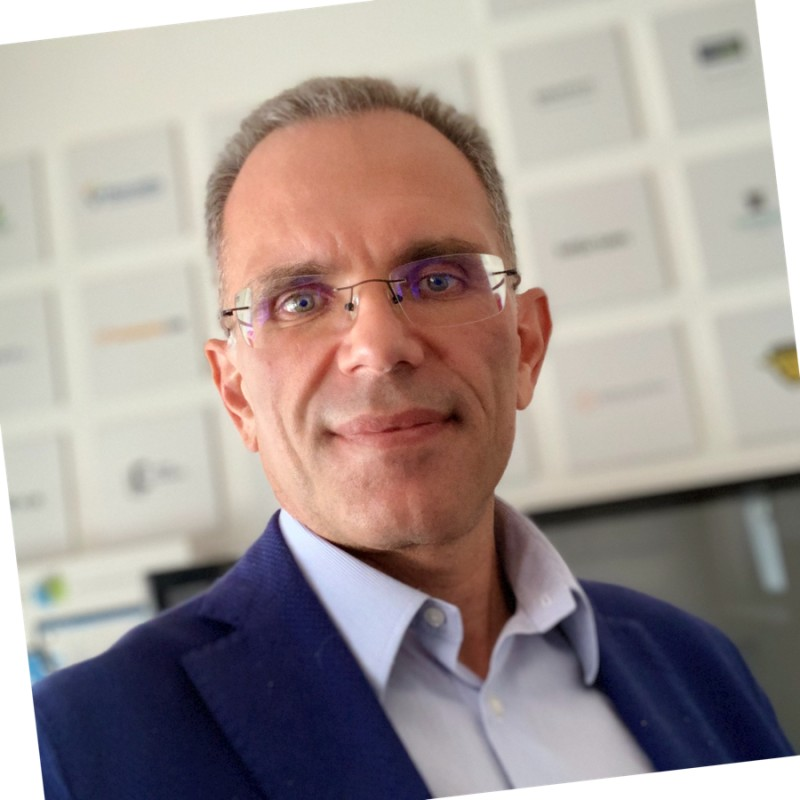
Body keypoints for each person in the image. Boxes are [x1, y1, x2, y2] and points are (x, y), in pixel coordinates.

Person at [32, 76, 793, 799]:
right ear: (237, 394)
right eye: (299, 300)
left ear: (526, 345)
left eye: (436, 280)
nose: (379, 346)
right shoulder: (78, 749)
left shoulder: (698, 663)